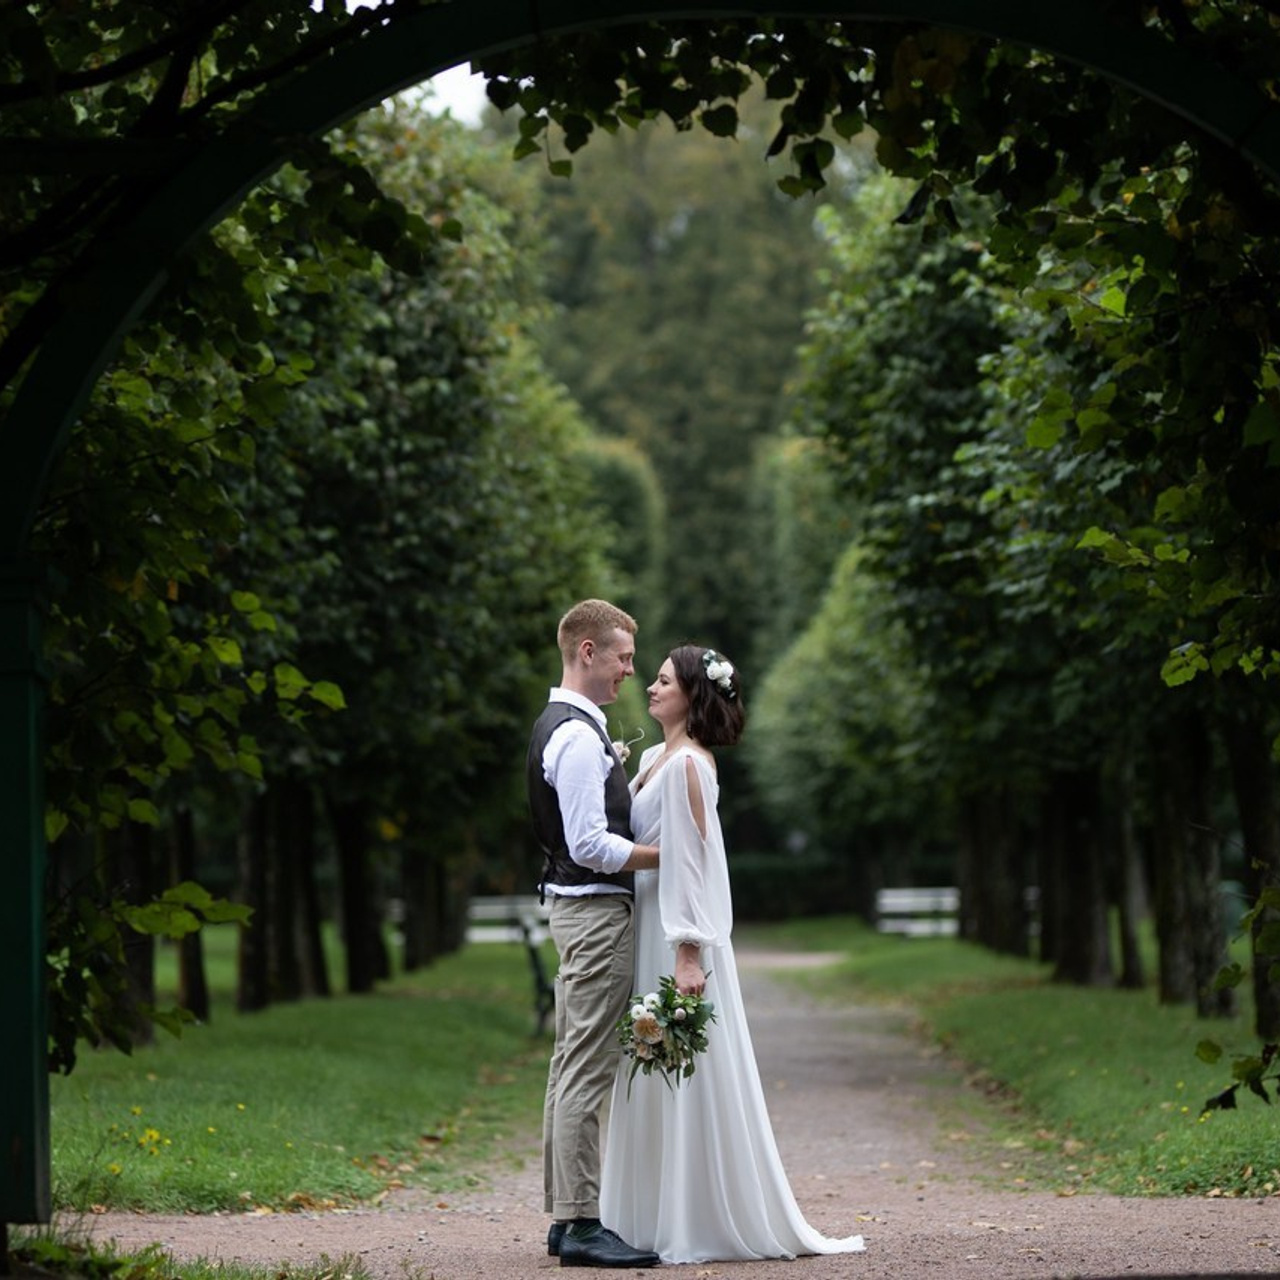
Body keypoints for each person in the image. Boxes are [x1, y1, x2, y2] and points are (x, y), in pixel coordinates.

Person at [599, 644, 867, 1263]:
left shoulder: (691, 766)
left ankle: (694, 1215)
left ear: (694, 694)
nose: (650, 688)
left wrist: (689, 953)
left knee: (678, 1069)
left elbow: (693, 862)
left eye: (663, 680)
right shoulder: (653, 757)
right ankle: (644, 1215)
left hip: (673, 935)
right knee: (646, 1072)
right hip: (645, 924)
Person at [526, 599, 662, 1270]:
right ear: (587, 653)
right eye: (622, 658)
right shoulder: (577, 735)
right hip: (594, 916)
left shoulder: (574, 727)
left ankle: (565, 1217)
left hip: (579, 914)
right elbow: (588, 844)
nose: (629, 672)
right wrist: (665, 855)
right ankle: (580, 1223)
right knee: (584, 1068)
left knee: (566, 1067)